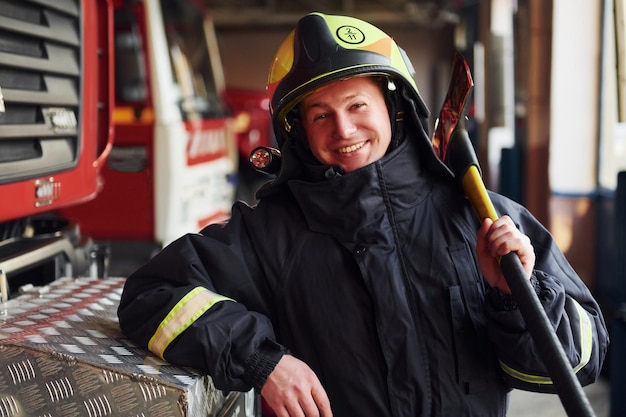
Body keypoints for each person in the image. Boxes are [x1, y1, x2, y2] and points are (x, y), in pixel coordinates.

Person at [118, 12, 609, 417]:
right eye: (320, 115)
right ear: (299, 133)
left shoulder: (482, 221)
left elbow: (581, 360)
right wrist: (263, 364)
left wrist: (514, 296)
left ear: (394, 109)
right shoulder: (269, 236)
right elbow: (150, 296)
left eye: (357, 104)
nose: (343, 129)